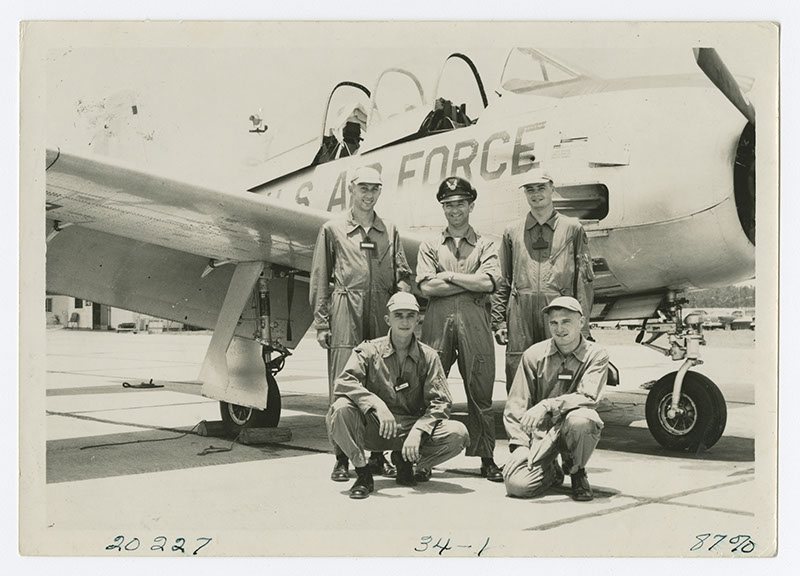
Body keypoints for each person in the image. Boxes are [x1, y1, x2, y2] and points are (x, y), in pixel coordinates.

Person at [310, 165, 413, 483]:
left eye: (375, 189)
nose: (369, 194)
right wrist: (322, 322)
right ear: (351, 190)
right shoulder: (333, 229)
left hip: (381, 310)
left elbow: (402, 274)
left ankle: (379, 454)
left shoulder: (390, 230)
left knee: (383, 382)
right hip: (346, 309)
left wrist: (402, 299)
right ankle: (342, 457)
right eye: (364, 188)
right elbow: (320, 277)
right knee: (344, 384)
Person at [326, 292, 470, 499]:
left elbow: (441, 402)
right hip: (375, 427)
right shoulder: (368, 351)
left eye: (410, 315)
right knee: (340, 409)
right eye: (399, 315)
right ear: (388, 320)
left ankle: (407, 461)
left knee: (458, 433)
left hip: (409, 427)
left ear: (418, 319)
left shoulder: (428, 356)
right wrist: (375, 403)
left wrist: (419, 431)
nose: (405, 321)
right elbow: (343, 382)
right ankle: (363, 472)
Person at [416, 176, 503, 482]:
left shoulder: (486, 244)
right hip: (437, 325)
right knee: (430, 392)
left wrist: (449, 277)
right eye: (449, 205)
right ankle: (425, 457)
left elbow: (489, 282)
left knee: (480, 392)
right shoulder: (429, 244)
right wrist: (467, 281)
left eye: (460, 204)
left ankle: (487, 457)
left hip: (475, 325)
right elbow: (426, 287)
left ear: (471, 205)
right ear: (443, 208)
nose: (455, 210)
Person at [491, 170, 595, 392]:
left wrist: (582, 325)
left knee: (560, 373)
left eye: (541, 188)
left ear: (552, 189)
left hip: (559, 312)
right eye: (530, 189)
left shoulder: (573, 229)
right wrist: (499, 321)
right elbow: (503, 279)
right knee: (519, 374)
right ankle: (519, 423)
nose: (536, 194)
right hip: (520, 314)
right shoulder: (512, 231)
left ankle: (557, 421)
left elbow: (583, 280)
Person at [502, 296, 608, 501]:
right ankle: (551, 471)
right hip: (542, 432)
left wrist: (546, 404)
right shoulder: (534, 354)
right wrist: (519, 445)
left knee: (583, 419)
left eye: (566, 321)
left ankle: (577, 471)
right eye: (554, 323)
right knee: (517, 486)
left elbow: (588, 396)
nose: (560, 328)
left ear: (582, 322)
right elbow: (517, 402)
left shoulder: (597, 355)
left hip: (571, 424)